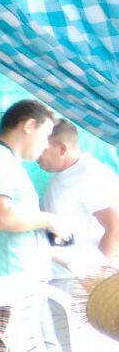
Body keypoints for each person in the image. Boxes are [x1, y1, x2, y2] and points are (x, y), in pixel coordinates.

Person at [0, 99, 69, 284]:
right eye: (45, 135)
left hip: (21, 280)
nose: (46, 145)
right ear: (29, 125)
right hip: (8, 282)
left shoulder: (7, 161)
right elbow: (1, 218)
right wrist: (49, 220)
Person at [38, 120, 119, 281]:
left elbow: (115, 227)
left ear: (62, 148)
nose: (36, 155)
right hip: (59, 273)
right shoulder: (59, 173)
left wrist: (96, 275)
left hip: (81, 280)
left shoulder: (92, 175)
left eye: (41, 149)